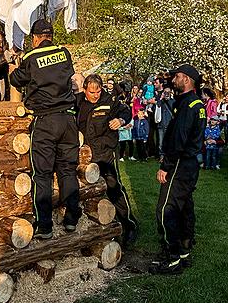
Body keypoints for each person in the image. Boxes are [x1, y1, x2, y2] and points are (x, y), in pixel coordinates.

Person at [9, 19, 81, 239]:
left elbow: (16, 80)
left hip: (45, 121)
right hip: (68, 119)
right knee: (68, 170)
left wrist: (13, 64)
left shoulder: (31, 58)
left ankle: (45, 226)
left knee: (43, 174)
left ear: (35, 38)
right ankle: (71, 220)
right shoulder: (64, 53)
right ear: (50, 36)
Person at [149, 64, 206, 275]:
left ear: (188, 80)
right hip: (190, 165)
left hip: (181, 164)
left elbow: (178, 139)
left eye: (178, 76)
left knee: (166, 209)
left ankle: (171, 257)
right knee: (184, 208)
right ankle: (184, 250)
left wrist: (166, 166)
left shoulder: (189, 105)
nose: (174, 79)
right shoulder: (194, 104)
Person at [77, 73, 138, 246]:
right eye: (91, 92)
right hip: (85, 156)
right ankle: (93, 230)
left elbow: (126, 111)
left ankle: (129, 225)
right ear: (85, 90)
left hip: (105, 153)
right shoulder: (78, 101)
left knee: (114, 188)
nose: (95, 95)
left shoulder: (110, 100)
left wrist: (120, 120)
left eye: (98, 91)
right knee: (86, 192)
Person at [156, 86, 174, 161]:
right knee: (161, 142)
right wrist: (161, 98)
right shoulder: (161, 101)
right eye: (165, 92)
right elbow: (157, 106)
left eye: (168, 92)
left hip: (169, 124)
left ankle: (168, 156)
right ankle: (161, 156)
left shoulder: (173, 101)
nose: (167, 94)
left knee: (169, 142)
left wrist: (169, 99)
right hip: (161, 124)